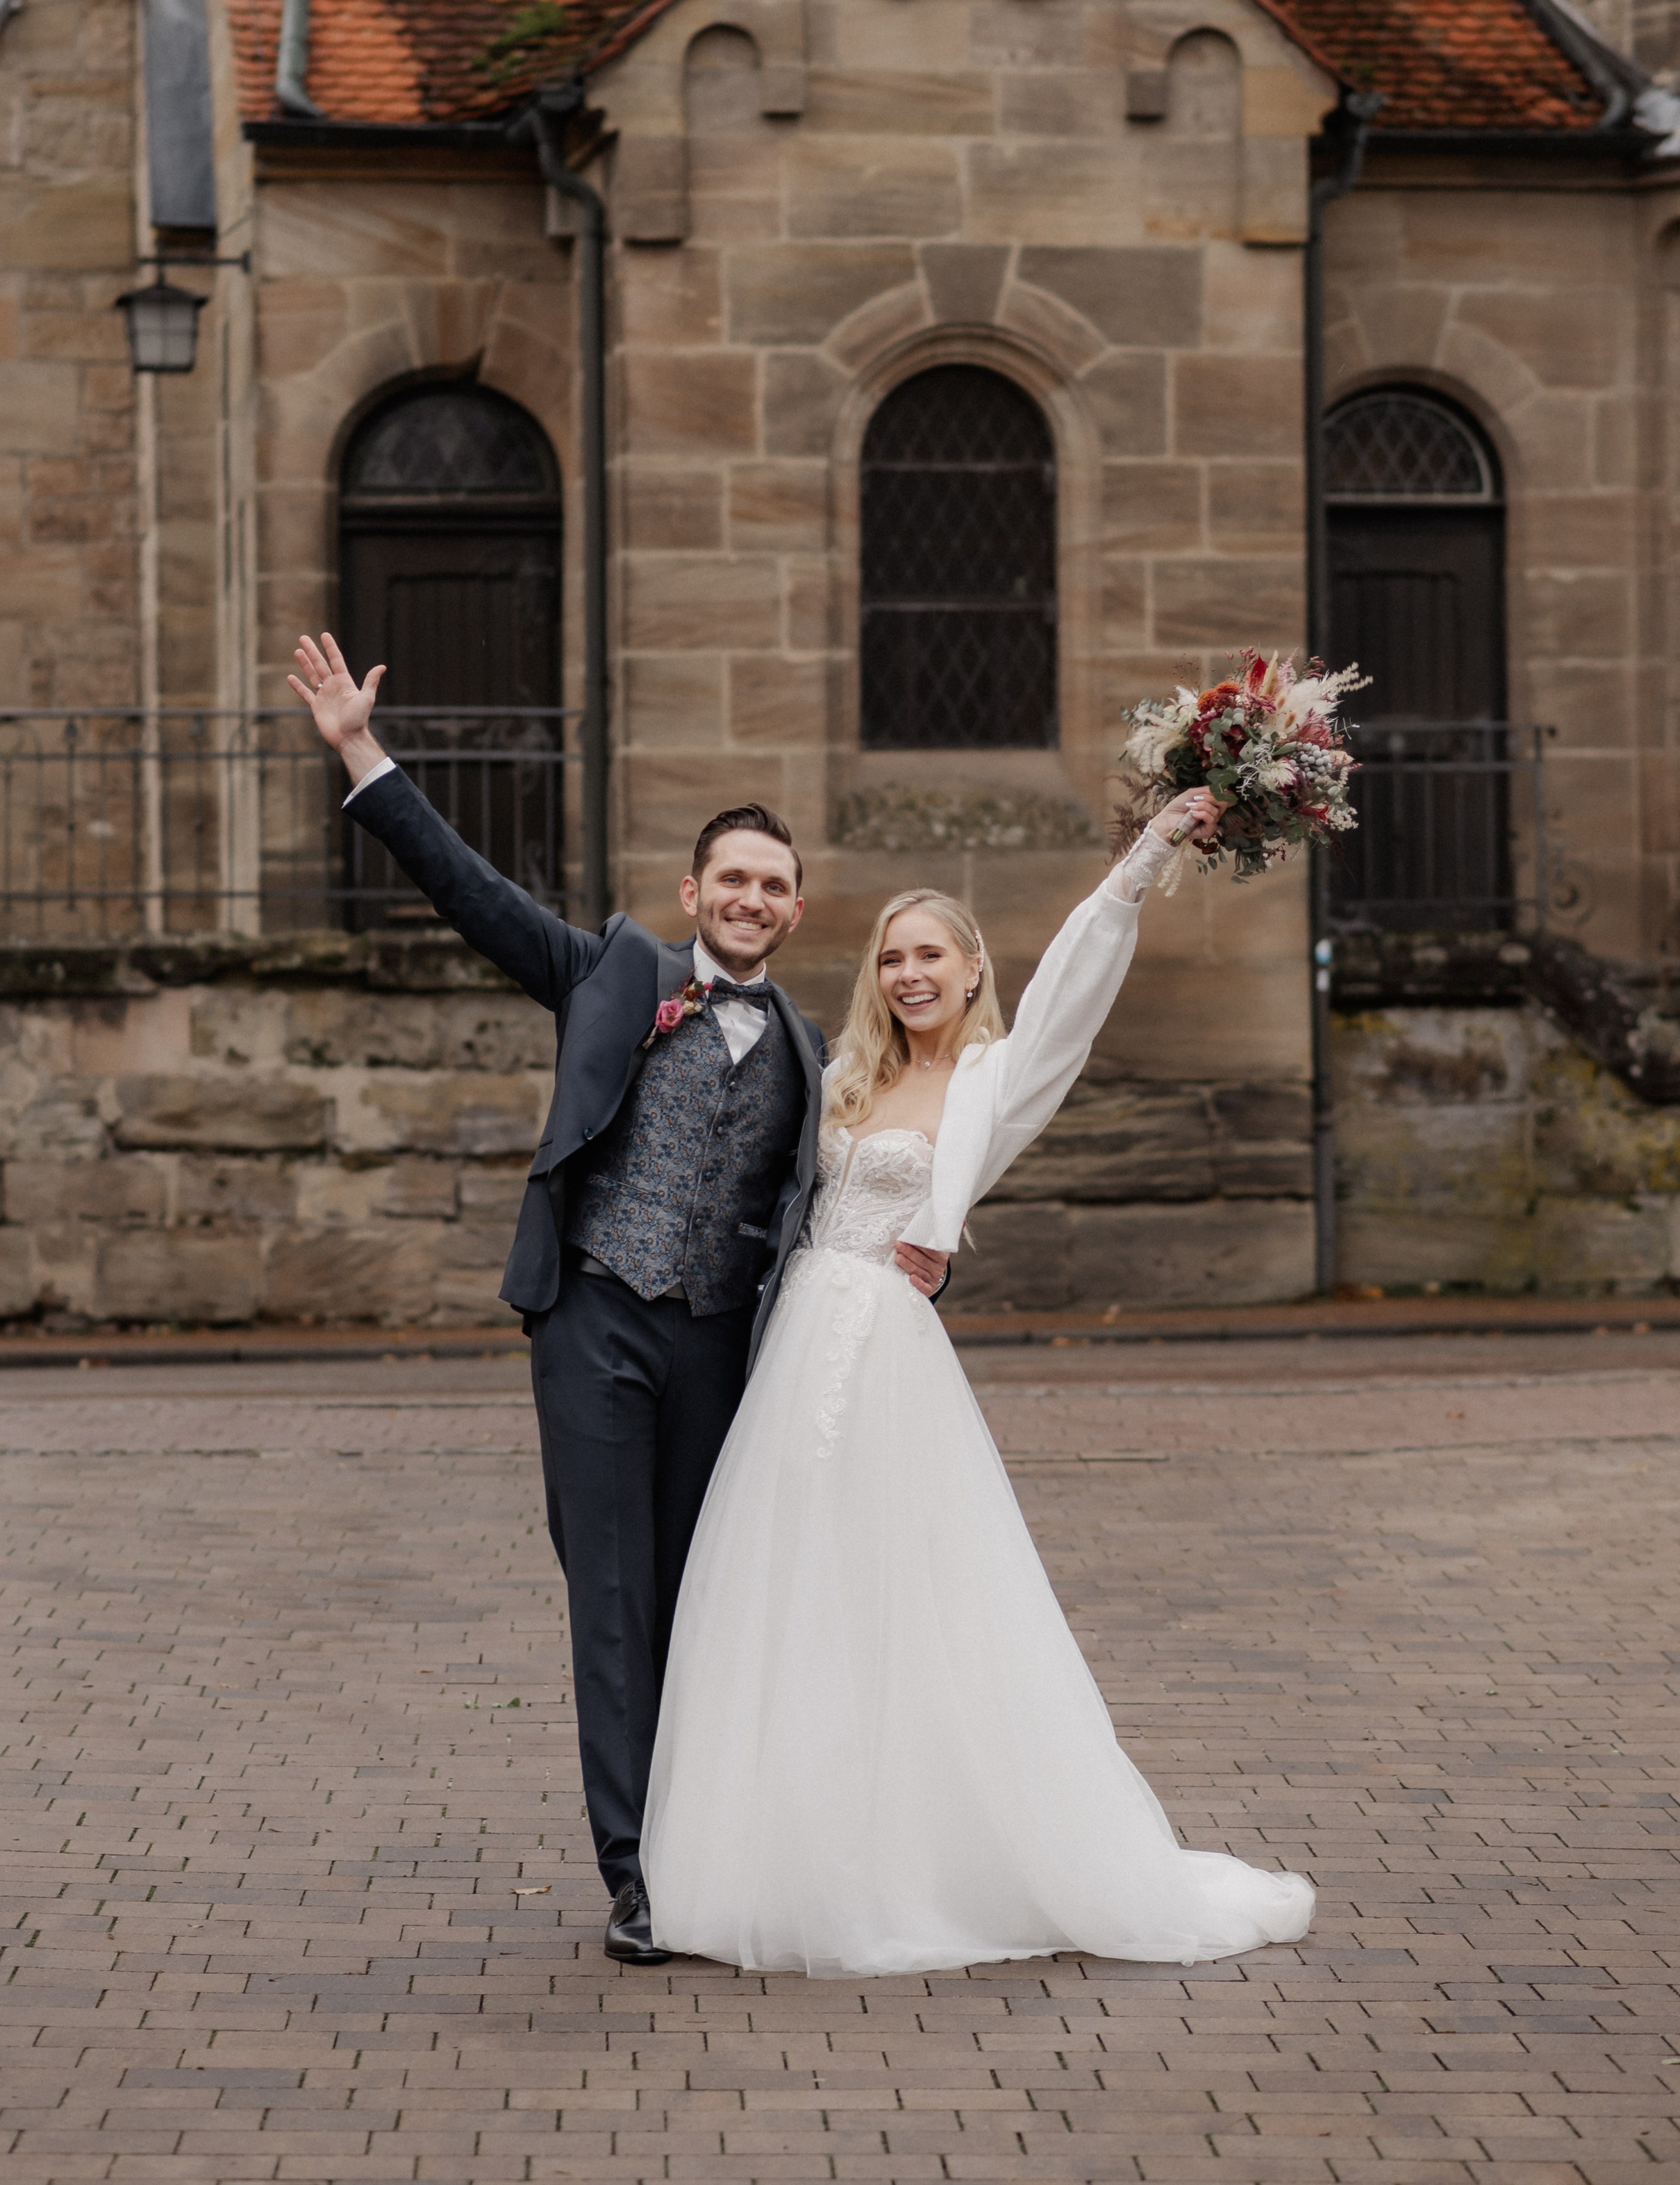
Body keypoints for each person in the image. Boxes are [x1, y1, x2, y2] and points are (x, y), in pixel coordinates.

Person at [285, 632, 951, 1966]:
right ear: (691, 888)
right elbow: (472, 894)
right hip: (595, 1323)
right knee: (612, 1601)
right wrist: (362, 752)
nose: (751, 899)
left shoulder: (820, 1053)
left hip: (719, 1347)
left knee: (703, 1599)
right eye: (733, 878)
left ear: (796, 912)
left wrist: (929, 1247)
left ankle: (710, 1843)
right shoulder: (613, 973)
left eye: (776, 885)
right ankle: (637, 1875)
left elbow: (865, 1184)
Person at [640, 792, 1317, 1976]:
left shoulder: (1000, 1075)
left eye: (929, 955)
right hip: (793, 1345)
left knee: (910, 1609)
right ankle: (772, 1855)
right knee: (786, 1600)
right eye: (892, 956)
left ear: (970, 970)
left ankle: (922, 1866)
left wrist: (1145, 856)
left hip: (888, 1363)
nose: (908, 973)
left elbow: (1073, 986)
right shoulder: (845, 1069)